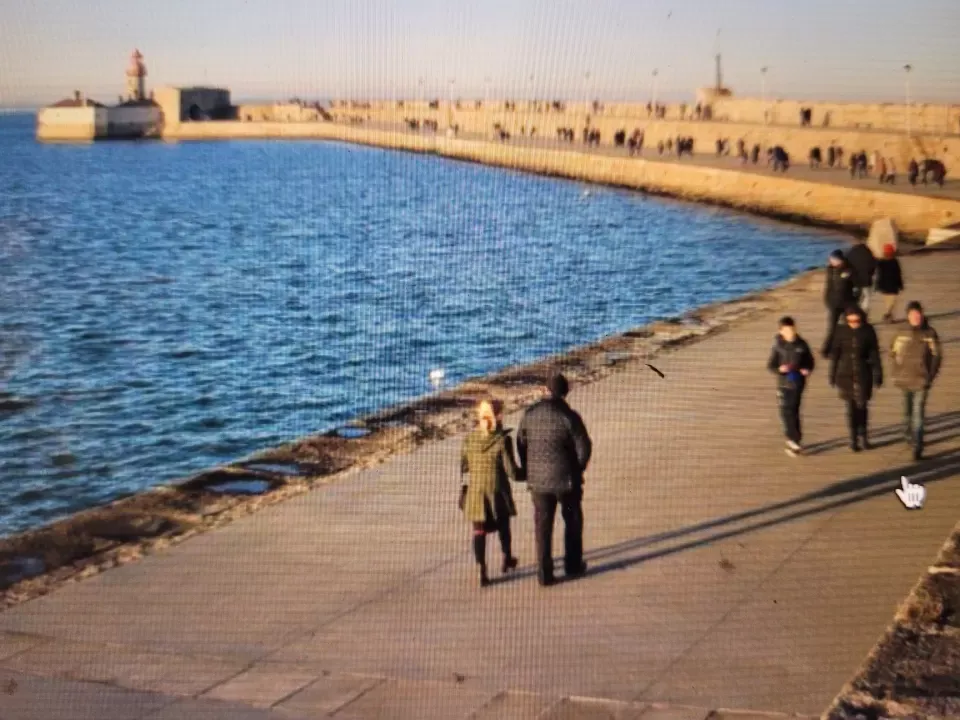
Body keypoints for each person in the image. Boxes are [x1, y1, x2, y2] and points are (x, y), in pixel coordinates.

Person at [516, 373, 592, 587]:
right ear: (565, 392)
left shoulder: (530, 414)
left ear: (546, 390)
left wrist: (528, 468)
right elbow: (584, 447)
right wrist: (577, 469)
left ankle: (544, 572)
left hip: (538, 481)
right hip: (566, 480)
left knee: (543, 526)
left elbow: (520, 442)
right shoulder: (569, 416)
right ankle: (573, 565)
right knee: (572, 522)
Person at [459, 398, 521, 587]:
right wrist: (527, 474)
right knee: (503, 525)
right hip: (497, 490)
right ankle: (507, 558)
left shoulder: (469, 440)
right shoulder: (503, 440)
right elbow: (511, 471)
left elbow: (464, 467)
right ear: (497, 417)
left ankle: (481, 567)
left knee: (479, 531)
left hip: (475, 492)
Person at [890, 302, 942, 461]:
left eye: (918, 314)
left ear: (922, 314)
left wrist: (930, 375)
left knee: (918, 413)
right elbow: (893, 352)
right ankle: (908, 434)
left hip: (921, 379)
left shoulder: (929, 333)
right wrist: (896, 371)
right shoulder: (901, 332)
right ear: (908, 316)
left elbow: (937, 355)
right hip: (904, 378)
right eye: (912, 315)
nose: (915, 318)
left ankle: (918, 446)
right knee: (907, 411)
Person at [829, 306, 883, 452]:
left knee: (862, 406)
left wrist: (878, 373)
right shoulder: (840, 331)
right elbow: (835, 354)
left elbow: (875, 353)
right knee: (851, 407)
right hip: (845, 373)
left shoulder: (868, 330)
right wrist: (832, 374)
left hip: (863, 372)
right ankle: (853, 438)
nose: (854, 324)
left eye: (857, 321)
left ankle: (863, 436)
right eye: (850, 321)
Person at [767, 317, 815, 457]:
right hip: (783, 383)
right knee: (786, 412)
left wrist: (807, 369)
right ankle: (793, 439)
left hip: (798, 382)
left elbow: (810, 362)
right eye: (787, 331)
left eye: (792, 330)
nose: (790, 333)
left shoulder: (802, 344)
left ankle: (795, 439)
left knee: (793, 410)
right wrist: (780, 369)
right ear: (781, 331)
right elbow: (771, 365)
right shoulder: (778, 345)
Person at [822, 249, 857, 357]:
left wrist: (854, 300)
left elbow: (855, 285)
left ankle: (850, 348)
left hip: (847, 302)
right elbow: (829, 287)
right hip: (834, 303)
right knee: (832, 327)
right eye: (831, 259)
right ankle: (826, 350)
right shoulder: (830, 270)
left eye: (833, 259)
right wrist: (827, 300)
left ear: (840, 260)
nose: (831, 261)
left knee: (851, 326)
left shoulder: (849, 269)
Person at [845, 237, 877, 316]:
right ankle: (864, 312)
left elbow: (846, 265)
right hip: (866, 279)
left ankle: (855, 312)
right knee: (866, 297)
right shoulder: (868, 252)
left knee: (856, 297)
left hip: (855, 280)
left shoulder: (851, 252)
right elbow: (873, 264)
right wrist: (871, 274)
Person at [875, 244, 904, 323]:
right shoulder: (894, 261)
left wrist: (877, 285)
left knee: (888, 302)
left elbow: (879, 275)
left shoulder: (881, 262)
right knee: (892, 302)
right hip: (893, 285)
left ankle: (888, 315)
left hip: (885, 285)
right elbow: (898, 274)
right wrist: (900, 285)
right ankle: (889, 315)